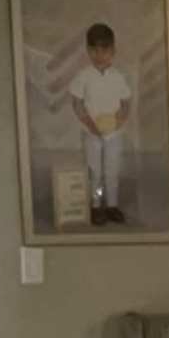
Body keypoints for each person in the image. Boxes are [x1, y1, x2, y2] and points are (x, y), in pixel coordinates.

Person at [66, 19, 136, 226]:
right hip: (92, 133)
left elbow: (126, 102)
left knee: (112, 169)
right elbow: (77, 103)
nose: (100, 56)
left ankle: (112, 205)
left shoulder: (118, 76)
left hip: (113, 133)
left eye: (105, 51)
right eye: (95, 51)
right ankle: (96, 204)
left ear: (113, 50)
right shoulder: (83, 76)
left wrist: (119, 120)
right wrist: (89, 124)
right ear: (88, 51)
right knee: (95, 171)